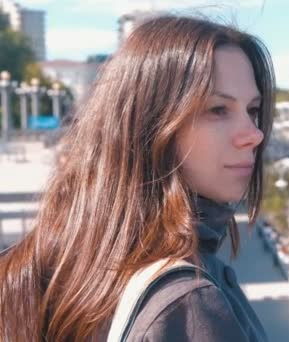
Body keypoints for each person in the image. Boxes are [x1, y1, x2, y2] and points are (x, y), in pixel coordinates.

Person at [0, 14, 274, 341]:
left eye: (253, 111)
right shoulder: (187, 306)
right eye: (218, 109)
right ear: (151, 124)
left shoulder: (61, 266)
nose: (254, 134)